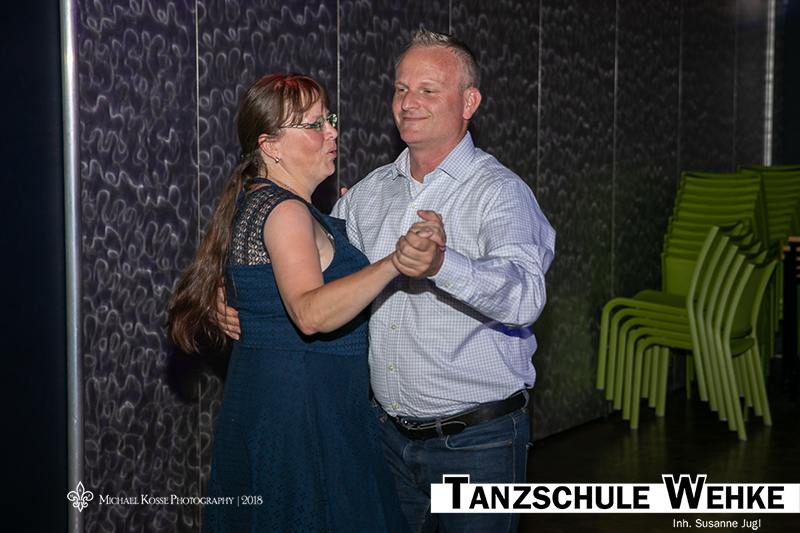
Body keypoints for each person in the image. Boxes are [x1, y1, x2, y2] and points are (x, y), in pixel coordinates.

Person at [218, 30, 556, 533]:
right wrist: (232, 295)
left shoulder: (500, 193)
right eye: (401, 89)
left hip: (476, 443)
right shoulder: (368, 194)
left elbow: (526, 296)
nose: (408, 102)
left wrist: (442, 265)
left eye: (427, 90)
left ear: (469, 103)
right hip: (385, 440)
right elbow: (303, 263)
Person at [166, 73, 444, 532]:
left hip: (283, 409)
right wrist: (397, 262)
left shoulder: (268, 203)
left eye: (330, 119)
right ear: (270, 145)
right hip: (305, 418)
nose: (332, 132)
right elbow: (309, 313)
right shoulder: (285, 210)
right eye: (314, 125)